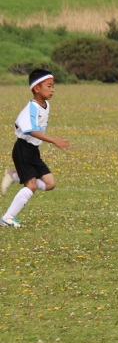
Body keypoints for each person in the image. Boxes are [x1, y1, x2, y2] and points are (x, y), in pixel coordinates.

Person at [1, 69, 71, 228]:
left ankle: (14, 176)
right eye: (49, 86)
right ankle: (7, 218)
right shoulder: (32, 107)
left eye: (53, 86)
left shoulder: (46, 105)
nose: (52, 90)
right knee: (31, 185)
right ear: (36, 88)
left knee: (50, 184)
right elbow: (30, 130)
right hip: (23, 149)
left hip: (33, 151)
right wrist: (53, 140)